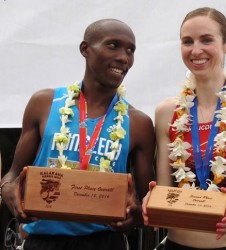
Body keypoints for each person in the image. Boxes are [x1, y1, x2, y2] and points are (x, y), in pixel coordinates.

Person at [0, 19, 155, 250]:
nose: (124, 57)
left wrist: (134, 216)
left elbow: (146, 202)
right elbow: (12, 175)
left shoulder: (139, 123)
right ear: (85, 49)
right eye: (113, 45)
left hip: (105, 243)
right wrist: (8, 190)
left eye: (130, 50)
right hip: (43, 242)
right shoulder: (44, 103)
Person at [142, 7, 226, 250]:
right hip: (176, 244)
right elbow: (163, 192)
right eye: (187, 41)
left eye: (206, 40)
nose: (196, 50)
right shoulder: (166, 112)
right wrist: (152, 200)